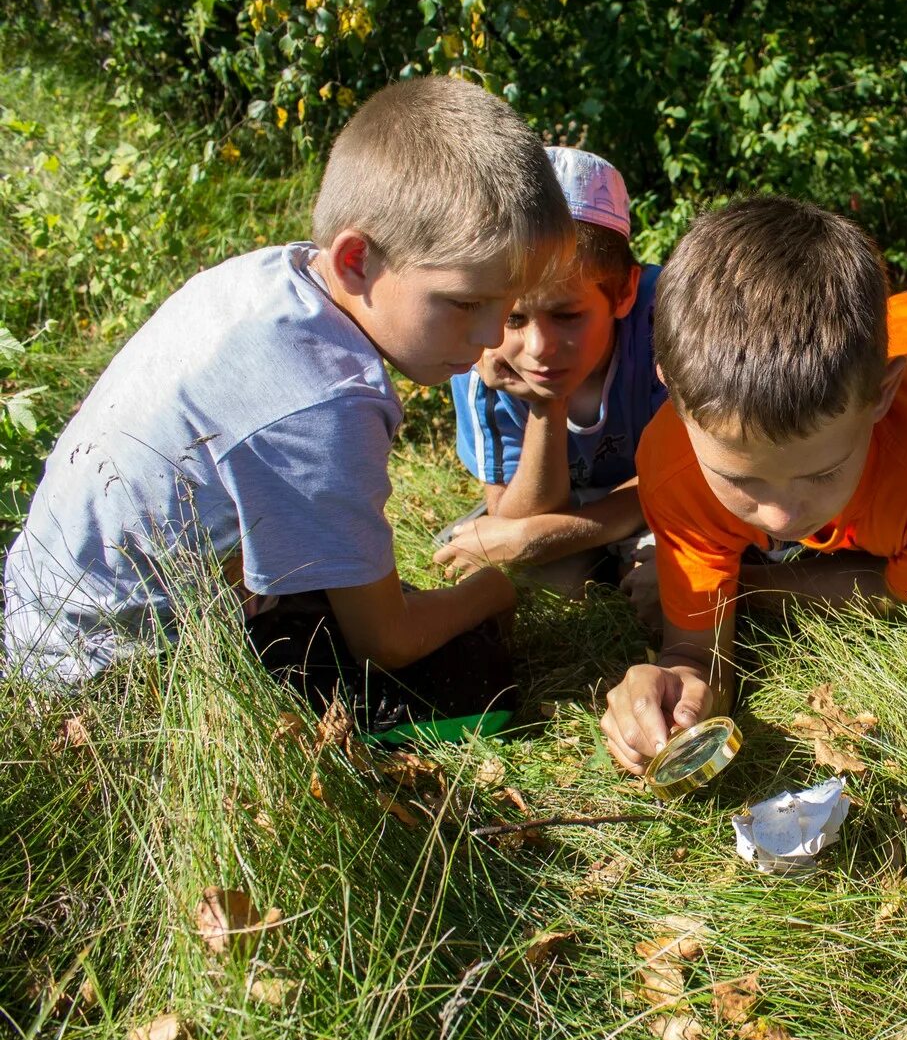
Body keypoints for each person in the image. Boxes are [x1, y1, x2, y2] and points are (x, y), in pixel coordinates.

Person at [3, 76, 573, 730]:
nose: (492, 336)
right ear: (358, 259)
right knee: (480, 679)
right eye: (467, 303)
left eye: (507, 306)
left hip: (38, 610)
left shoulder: (268, 279)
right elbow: (384, 640)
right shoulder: (326, 401)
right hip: (108, 674)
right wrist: (490, 591)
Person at [600, 195, 907, 773]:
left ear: (881, 395)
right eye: (740, 478)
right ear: (671, 393)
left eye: (820, 472)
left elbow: (898, 591)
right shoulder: (674, 463)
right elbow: (696, 652)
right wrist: (675, 681)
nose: (781, 518)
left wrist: (744, 586)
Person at [432, 147, 664, 608]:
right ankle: (594, 555)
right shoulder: (484, 354)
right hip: (581, 500)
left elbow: (695, 477)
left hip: (667, 494)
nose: (539, 348)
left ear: (624, 292)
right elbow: (515, 513)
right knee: (553, 586)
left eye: (567, 315)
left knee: (663, 588)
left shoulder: (668, 327)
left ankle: (603, 554)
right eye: (514, 318)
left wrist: (536, 538)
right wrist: (545, 402)